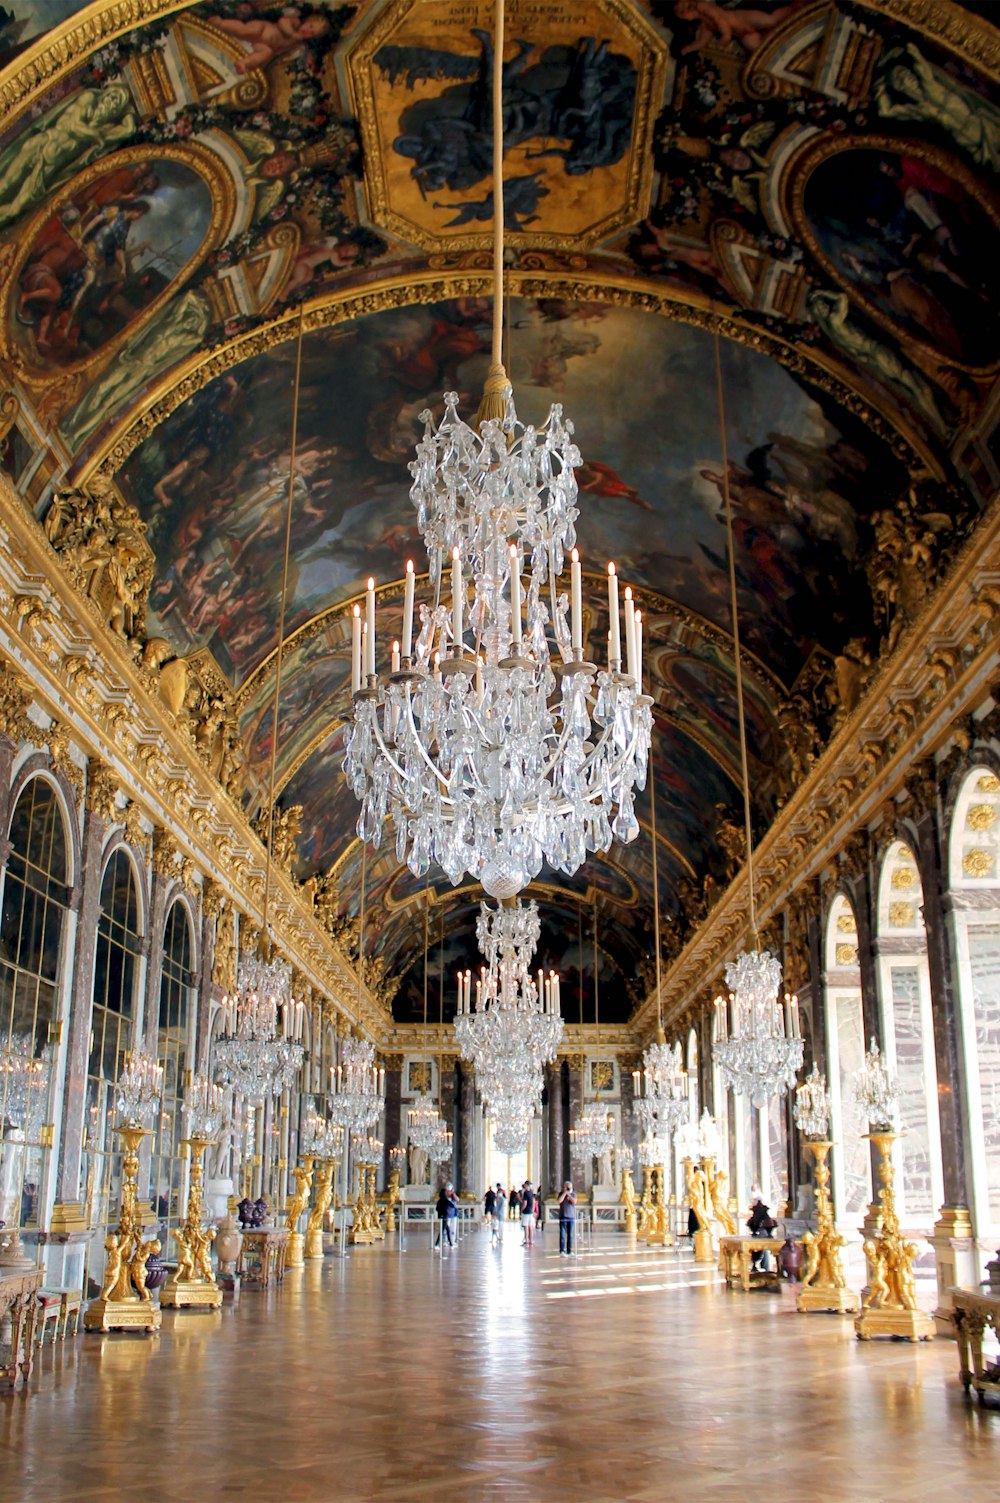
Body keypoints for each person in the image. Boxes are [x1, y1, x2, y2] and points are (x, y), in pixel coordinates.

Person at [435, 1182, 459, 1248]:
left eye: (450, 1190)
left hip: (453, 1214)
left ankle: (451, 1242)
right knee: (445, 1229)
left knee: (451, 1228)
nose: (448, 1192)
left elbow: (457, 1200)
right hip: (446, 1215)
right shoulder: (444, 1198)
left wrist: (453, 1194)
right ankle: (443, 1242)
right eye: (447, 1191)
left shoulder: (452, 1196)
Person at [558, 1181, 576, 1255]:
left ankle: (569, 1250)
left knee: (570, 1234)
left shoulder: (573, 1194)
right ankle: (562, 1250)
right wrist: (565, 1193)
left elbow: (574, 1202)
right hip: (563, 1216)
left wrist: (569, 1194)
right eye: (567, 1187)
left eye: (570, 1187)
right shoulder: (561, 1194)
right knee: (562, 1234)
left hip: (571, 1217)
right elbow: (559, 1201)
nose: (569, 1189)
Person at [521, 1181, 536, 1247]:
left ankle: (526, 1240)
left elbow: (525, 1203)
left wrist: (522, 1210)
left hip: (526, 1212)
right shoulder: (531, 1192)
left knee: (526, 1226)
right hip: (530, 1212)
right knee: (530, 1226)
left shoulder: (525, 1193)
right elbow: (533, 1202)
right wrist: (532, 1210)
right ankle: (531, 1240)